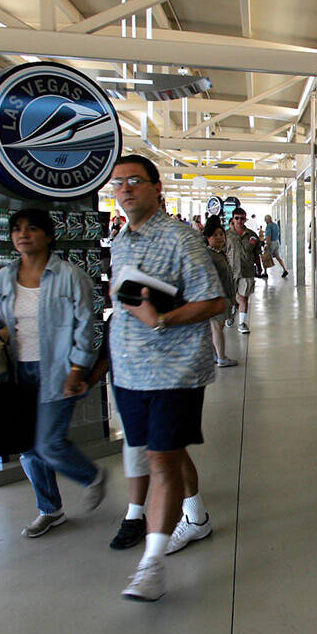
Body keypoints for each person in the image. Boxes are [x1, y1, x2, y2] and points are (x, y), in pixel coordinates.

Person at [107, 154, 226, 601]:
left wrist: (161, 320)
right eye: (118, 183)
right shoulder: (121, 241)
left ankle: (150, 564)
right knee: (165, 453)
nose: (125, 189)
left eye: (135, 180)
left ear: (157, 188)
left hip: (174, 369)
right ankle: (196, 517)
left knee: (160, 460)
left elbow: (215, 302)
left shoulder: (181, 239)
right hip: (129, 370)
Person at [0, 208, 106, 538]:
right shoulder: (4, 278)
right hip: (15, 373)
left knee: (49, 444)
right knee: (27, 445)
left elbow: (85, 326)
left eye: (32, 229)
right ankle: (50, 509)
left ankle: (90, 475)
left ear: (49, 236)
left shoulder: (69, 276)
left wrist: (78, 368)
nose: (23, 234)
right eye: (17, 229)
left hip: (59, 370)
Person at [76, 318, 214, 555]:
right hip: (131, 390)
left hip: (164, 384)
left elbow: (207, 311)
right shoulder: (118, 317)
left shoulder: (165, 308)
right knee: (146, 450)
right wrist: (87, 381)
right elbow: (108, 354)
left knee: (167, 451)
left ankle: (169, 522)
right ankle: (147, 516)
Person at [203, 220, 238, 368]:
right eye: (215, 235)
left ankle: (214, 354)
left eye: (221, 234)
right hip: (215, 298)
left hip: (224, 297)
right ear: (208, 238)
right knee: (217, 327)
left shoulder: (220, 253)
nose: (219, 237)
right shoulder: (208, 256)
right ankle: (221, 357)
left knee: (218, 327)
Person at [225, 207, 259, 335]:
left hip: (247, 271)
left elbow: (257, 253)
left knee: (243, 297)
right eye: (237, 218)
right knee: (231, 298)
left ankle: (242, 323)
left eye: (242, 218)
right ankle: (232, 313)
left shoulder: (252, 235)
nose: (239, 221)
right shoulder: (226, 235)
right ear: (233, 219)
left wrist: (259, 267)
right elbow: (222, 251)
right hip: (230, 271)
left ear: (245, 219)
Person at [263, 214, 288, 278]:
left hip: (271, 243)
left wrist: (267, 245)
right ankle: (284, 270)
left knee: (266, 257)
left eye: (265, 220)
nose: (265, 221)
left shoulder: (268, 226)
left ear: (268, 220)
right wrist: (264, 238)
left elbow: (269, 236)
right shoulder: (275, 225)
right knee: (278, 257)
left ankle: (265, 273)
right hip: (276, 242)